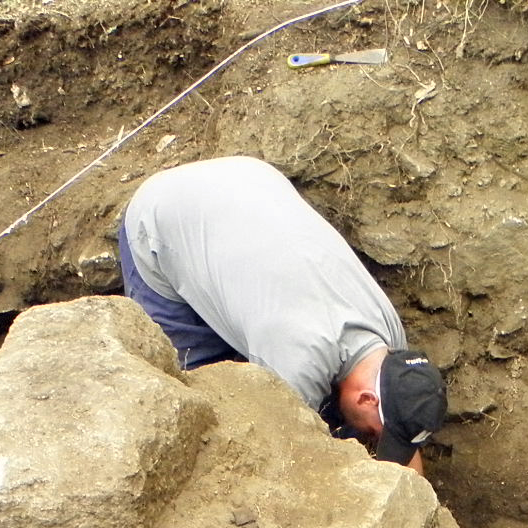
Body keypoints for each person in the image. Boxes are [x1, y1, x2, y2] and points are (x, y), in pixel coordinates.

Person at [116, 155, 446, 471]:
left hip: (249, 179)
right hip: (168, 218)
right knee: (202, 404)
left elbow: (401, 434)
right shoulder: (296, 362)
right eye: (374, 434)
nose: (371, 439)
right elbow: (284, 458)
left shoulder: (390, 341)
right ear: (365, 399)